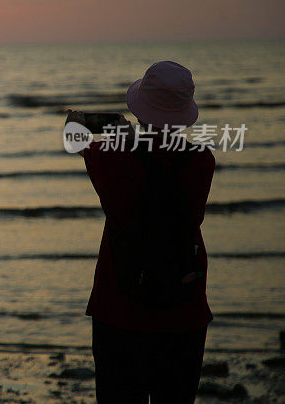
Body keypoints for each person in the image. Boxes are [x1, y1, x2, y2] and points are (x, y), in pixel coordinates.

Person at [66, 61, 215, 403]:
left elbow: (74, 139)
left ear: (140, 109)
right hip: (184, 307)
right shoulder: (203, 160)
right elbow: (163, 158)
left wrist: (86, 120)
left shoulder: (109, 155)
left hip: (119, 306)